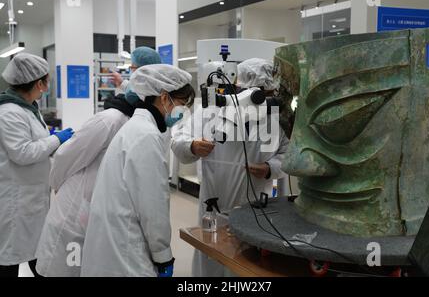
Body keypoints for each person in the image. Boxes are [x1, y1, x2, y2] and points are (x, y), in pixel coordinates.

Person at [34, 49, 162, 277]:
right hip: (75, 214)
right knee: (66, 269)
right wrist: (56, 185)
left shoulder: (143, 125)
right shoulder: (109, 120)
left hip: (106, 217)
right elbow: (66, 156)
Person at [171, 58, 290, 277]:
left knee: (248, 267)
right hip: (214, 209)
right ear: (242, 88)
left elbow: (287, 155)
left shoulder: (272, 122)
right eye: (261, 93)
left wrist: (269, 167)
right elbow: (178, 141)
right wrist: (193, 146)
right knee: (212, 263)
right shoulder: (210, 113)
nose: (265, 100)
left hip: (256, 211)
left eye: (270, 94)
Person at [81, 64, 195, 277]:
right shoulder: (146, 136)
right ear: (164, 98)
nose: (183, 111)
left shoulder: (136, 127)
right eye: (181, 103)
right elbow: (153, 207)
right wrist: (163, 256)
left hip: (114, 240)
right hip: (126, 250)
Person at [0, 53, 73, 277]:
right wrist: (56, 139)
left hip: (32, 196)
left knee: (37, 252)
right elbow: (23, 152)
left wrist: (54, 144)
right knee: (9, 257)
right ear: (38, 83)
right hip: (17, 198)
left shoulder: (28, 107)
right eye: (47, 81)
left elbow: (35, 144)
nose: (48, 86)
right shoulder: (9, 112)